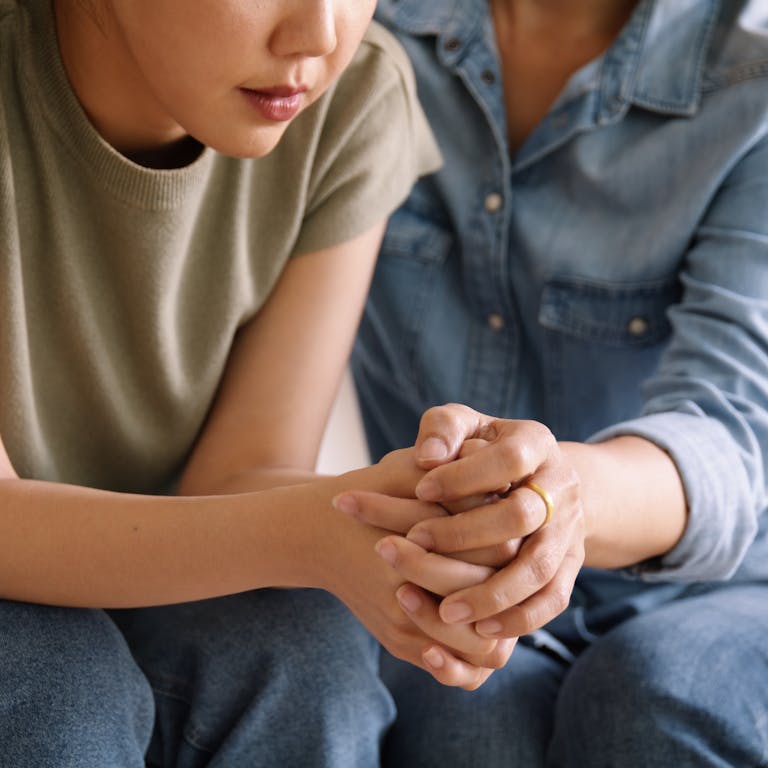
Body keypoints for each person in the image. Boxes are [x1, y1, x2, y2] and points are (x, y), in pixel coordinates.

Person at [0, 0, 508, 765]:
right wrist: (309, 532)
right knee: (62, 691)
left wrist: (404, 514)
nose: (320, 35)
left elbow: (238, 473)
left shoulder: (351, 96)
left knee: (304, 650)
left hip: (167, 555)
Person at [344, 0, 768, 765]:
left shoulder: (754, 74)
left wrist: (559, 497)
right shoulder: (358, 29)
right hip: (454, 580)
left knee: (655, 698)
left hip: (725, 586)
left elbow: (732, 429)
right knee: (465, 731)